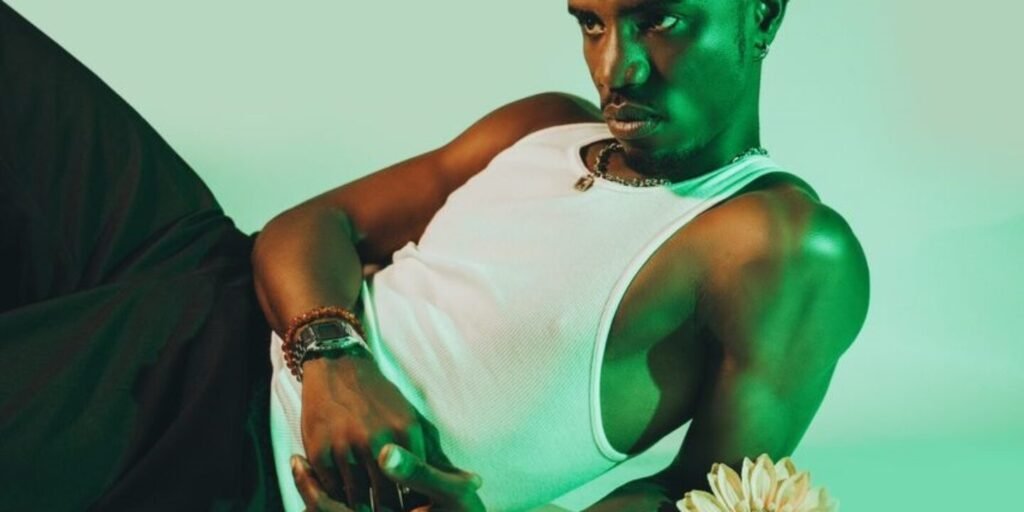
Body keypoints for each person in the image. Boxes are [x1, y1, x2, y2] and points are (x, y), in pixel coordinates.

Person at [0, 0, 869, 511]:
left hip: (232, 443)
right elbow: (313, 225)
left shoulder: (786, 247)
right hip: (218, 285)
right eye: (592, 23)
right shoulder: (544, 124)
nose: (618, 68)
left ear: (762, 12)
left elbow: (704, 496)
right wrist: (334, 363)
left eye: (660, 21)